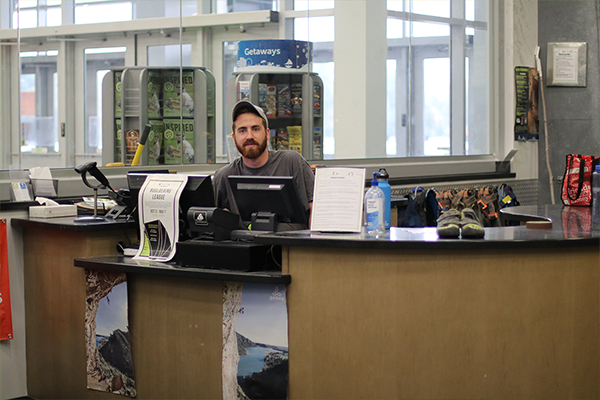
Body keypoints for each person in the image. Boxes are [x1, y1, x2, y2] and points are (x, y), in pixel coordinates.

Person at [212, 100, 314, 230]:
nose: (249, 136)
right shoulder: (223, 176)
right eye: (242, 131)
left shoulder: (292, 162)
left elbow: (315, 212)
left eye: (255, 129)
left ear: (266, 134)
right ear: (234, 138)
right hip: (244, 248)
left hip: (290, 248)